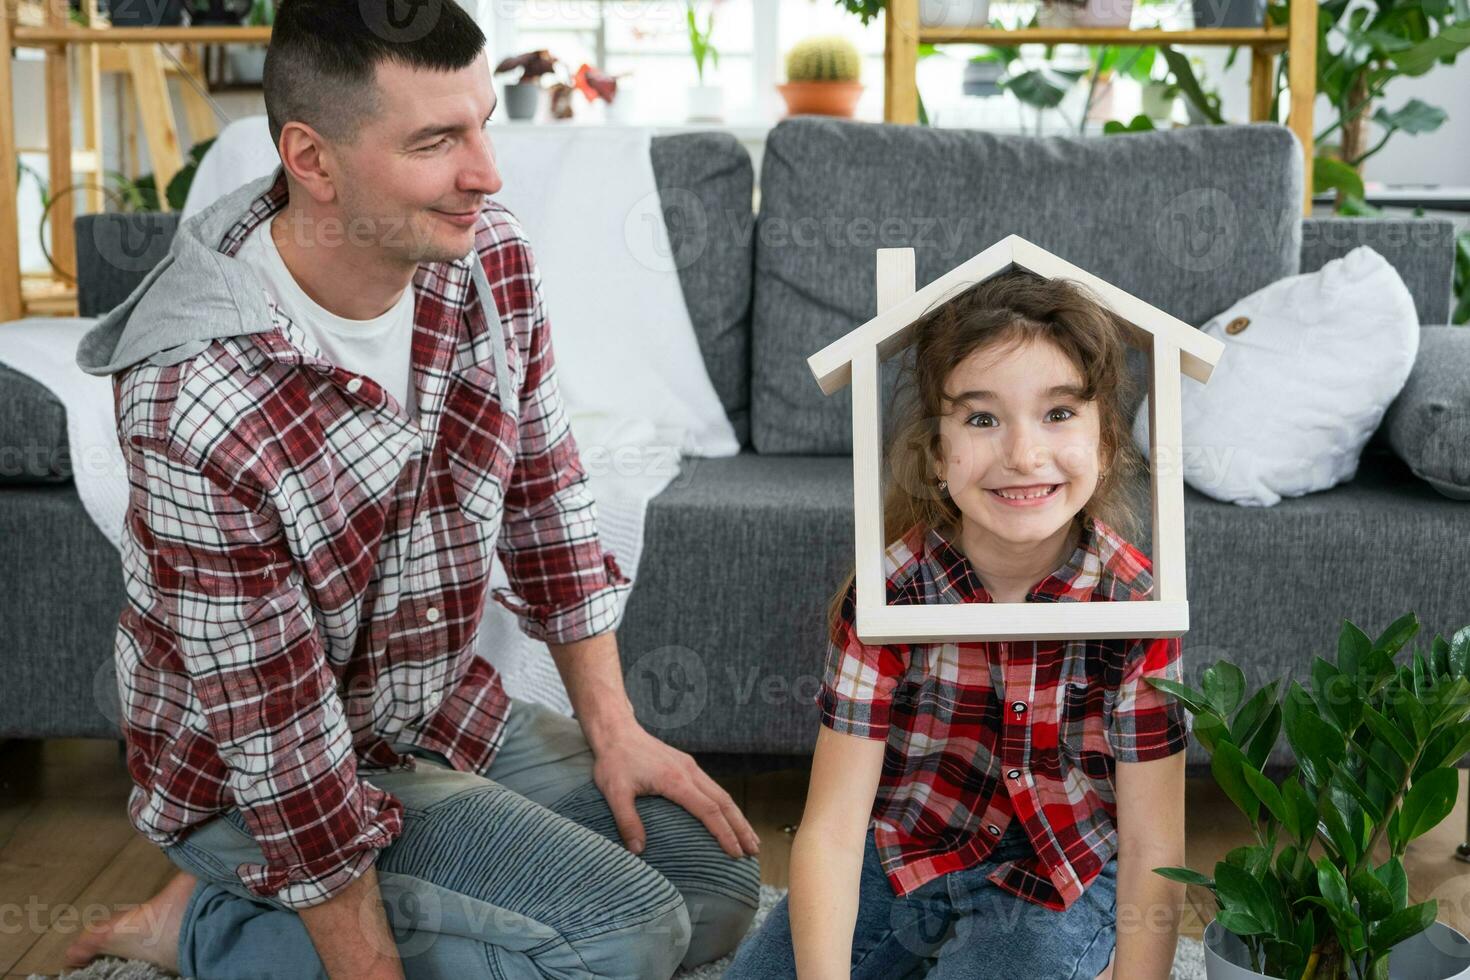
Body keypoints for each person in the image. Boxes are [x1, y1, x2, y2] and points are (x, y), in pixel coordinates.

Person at [66, 1, 759, 976]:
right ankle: (206, 924)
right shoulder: (195, 394)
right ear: (312, 160)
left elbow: (546, 498)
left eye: (481, 122)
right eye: (438, 140)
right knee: (623, 934)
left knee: (718, 890)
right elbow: (282, 742)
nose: (487, 172)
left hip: (429, 712)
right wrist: (365, 965)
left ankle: (239, 900)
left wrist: (618, 731)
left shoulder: (486, 256)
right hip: (252, 775)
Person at [725, 268, 1190, 979]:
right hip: (909, 850)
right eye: (981, 418)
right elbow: (831, 830)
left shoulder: (1132, 601)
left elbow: (1156, 840)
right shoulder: (892, 592)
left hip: (1061, 868)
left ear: (1104, 445)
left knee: (1012, 959)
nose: (1023, 455)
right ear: (940, 457)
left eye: (1058, 414)